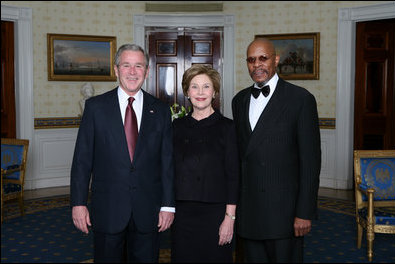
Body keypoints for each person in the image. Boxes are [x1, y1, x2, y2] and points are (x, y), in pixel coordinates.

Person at [70, 44, 175, 263]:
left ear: (147, 71)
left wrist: (167, 205)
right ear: (116, 70)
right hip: (108, 209)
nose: (133, 71)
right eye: (126, 65)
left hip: (148, 211)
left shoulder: (161, 110)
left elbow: (167, 162)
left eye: (139, 66)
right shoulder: (95, 108)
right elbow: (82, 160)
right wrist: (78, 204)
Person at [231, 38, 321, 263]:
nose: (257, 65)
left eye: (263, 58)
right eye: (251, 60)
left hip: (284, 214)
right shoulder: (239, 100)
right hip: (249, 211)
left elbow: (310, 162)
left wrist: (304, 212)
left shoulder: (300, 99)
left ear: (276, 60)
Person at [171, 65, 240, 263]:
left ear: (215, 91)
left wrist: (230, 218)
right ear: (187, 92)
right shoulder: (176, 127)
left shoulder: (228, 128)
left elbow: (233, 176)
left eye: (206, 87)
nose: (200, 93)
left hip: (216, 213)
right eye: (194, 87)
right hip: (182, 213)